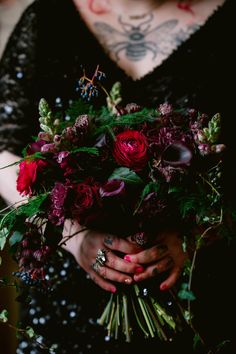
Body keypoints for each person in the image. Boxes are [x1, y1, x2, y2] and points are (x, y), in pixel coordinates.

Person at [0, 0, 235, 353]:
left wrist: (196, 235)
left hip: (200, 297)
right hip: (71, 305)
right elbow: (2, 152)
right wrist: (73, 237)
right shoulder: (48, 20)